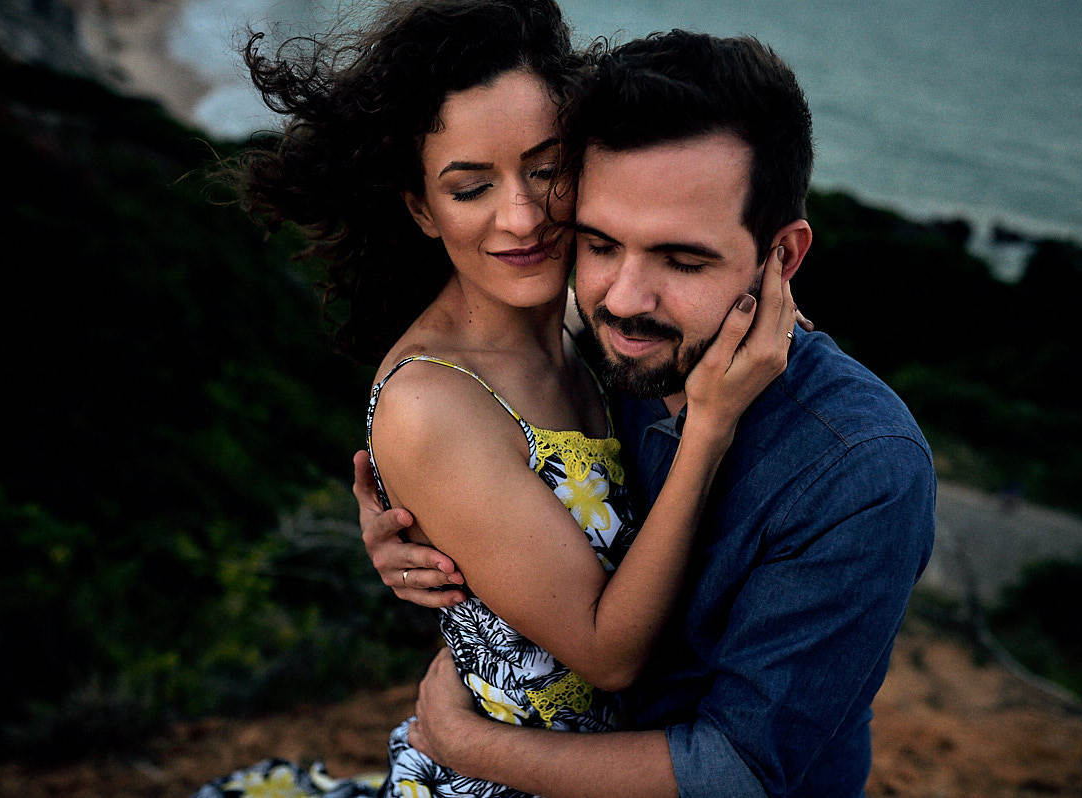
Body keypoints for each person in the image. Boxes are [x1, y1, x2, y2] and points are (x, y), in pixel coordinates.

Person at [195, 3, 803, 797]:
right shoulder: (433, 401)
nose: (520, 217)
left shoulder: (585, 330)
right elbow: (606, 649)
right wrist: (710, 428)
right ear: (422, 209)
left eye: (546, 169)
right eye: (471, 186)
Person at [356, 30, 937, 798]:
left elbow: (738, 772)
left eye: (682, 260)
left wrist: (472, 746)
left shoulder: (862, 469)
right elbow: (478, 433)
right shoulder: (590, 345)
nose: (625, 299)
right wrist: (413, 521)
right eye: (600, 243)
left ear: (782, 259)